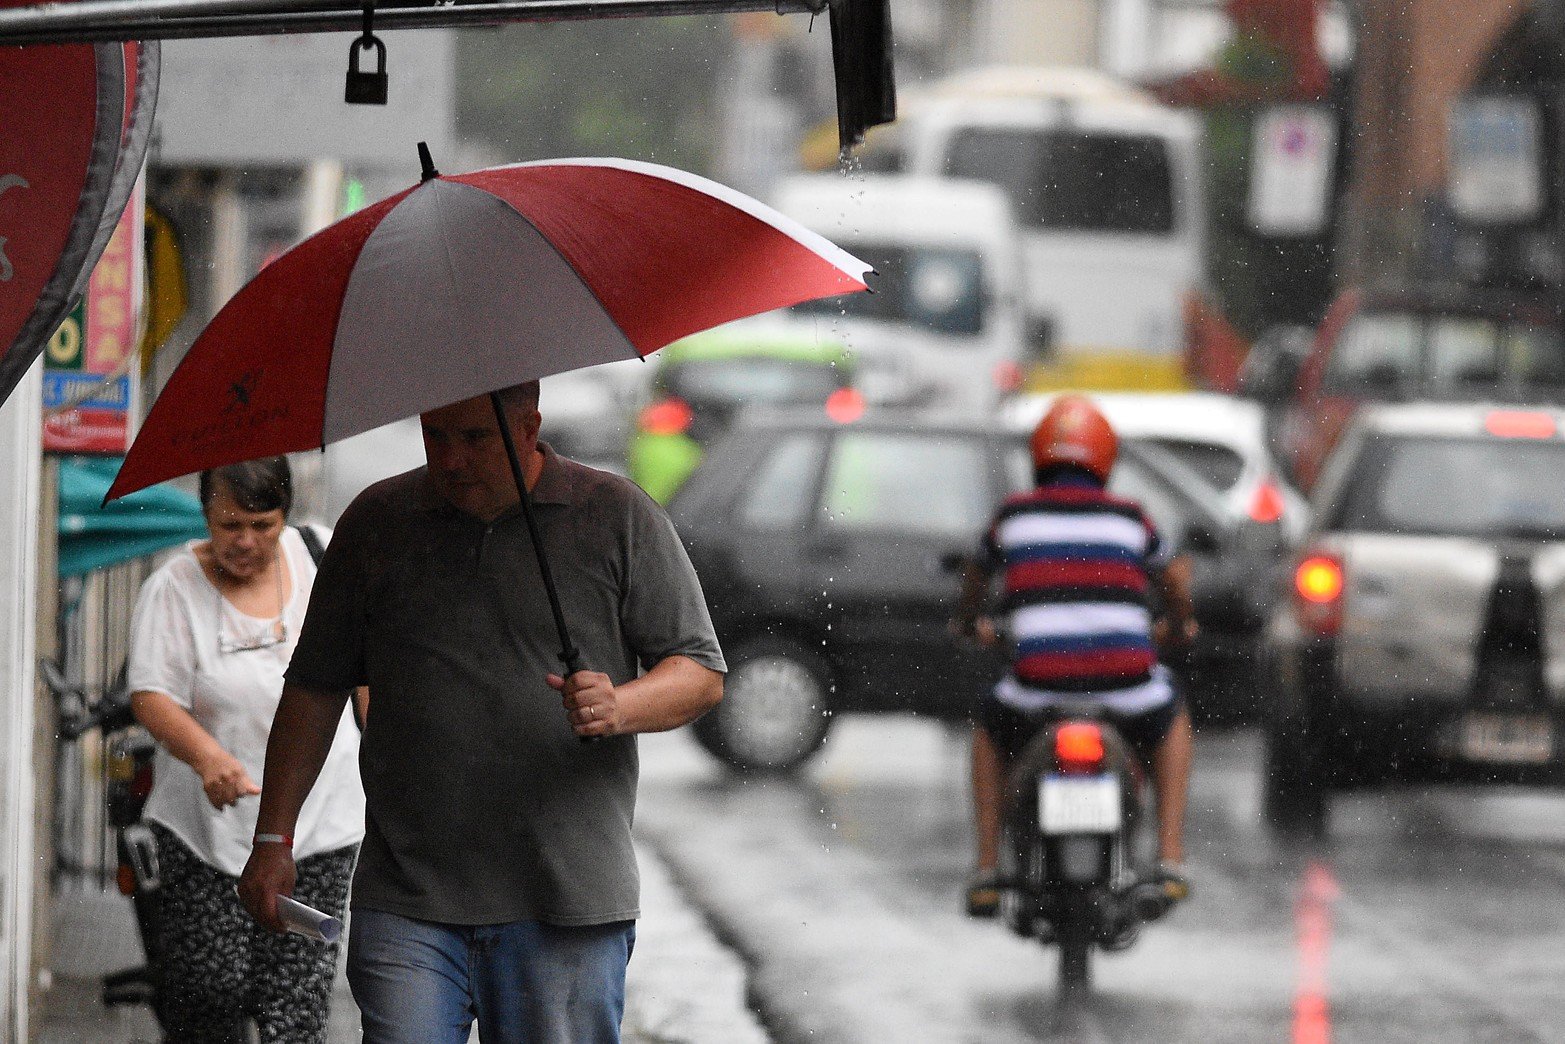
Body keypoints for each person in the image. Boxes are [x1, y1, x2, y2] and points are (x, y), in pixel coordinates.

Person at [237, 380, 726, 1044]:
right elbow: (316, 686)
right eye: (435, 435)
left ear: (530, 427)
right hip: (409, 893)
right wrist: (274, 838)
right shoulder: (377, 523)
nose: (452, 459)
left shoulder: (614, 515)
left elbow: (698, 674)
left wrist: (620, 704)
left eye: (475, 438)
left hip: (565, 902)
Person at [127, 457, 365, 1041]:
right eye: (231, 525)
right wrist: (208, 757)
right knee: (212, 991)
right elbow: (152, 692)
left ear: (285, 515)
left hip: (319, 828)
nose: (247, 542)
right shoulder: (173, 587)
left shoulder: (321, 558)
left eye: (264, 525)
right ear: (205, 512)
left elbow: (365, 660)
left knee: (298, 1000)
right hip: (206, 831)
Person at [953, 395, 1195, 918]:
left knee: (988, 731)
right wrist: (1180, 622)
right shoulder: (1132, 518)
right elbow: (1174, 575)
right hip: (1126, 686)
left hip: (1036, 689)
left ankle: (988, 867)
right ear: (1106, 458)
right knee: (1173, 719)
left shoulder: (1013, 515)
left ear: (1040, 456)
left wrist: (971, 619)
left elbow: (977, 571)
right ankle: (1171, 856)